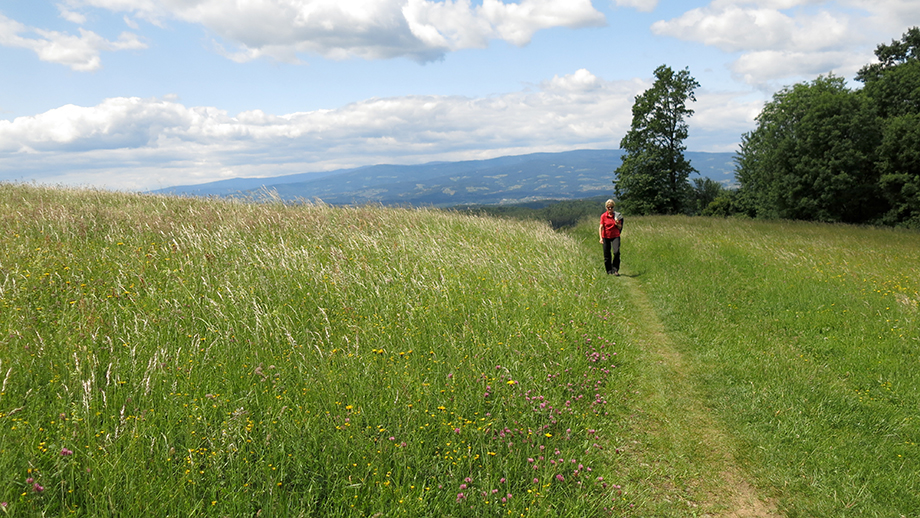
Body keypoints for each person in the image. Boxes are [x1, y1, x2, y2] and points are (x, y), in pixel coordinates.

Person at [598, 199, 623, 276]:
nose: (610, 209)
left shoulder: (617, 216)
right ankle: (609, 270)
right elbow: (601, 227)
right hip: (606, 236)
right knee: (607, 254)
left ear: (613, 207)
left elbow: (620, 227)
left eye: (611, 207)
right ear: (606, 207)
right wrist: (601, 238)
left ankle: (615, 269)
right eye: (608, 207)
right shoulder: (603, 216)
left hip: (615, 235)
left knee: (616, 252)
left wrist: (617, 223)